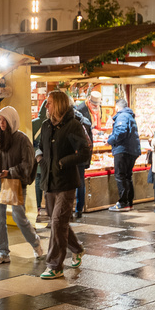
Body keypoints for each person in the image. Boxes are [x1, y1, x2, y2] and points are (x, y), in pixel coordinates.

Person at [36, 91, 90, 279]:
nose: (46, 106)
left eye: (49, 103)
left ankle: (55, 265)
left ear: (58, 104)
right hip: (49, 182)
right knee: (58, 223)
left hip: (66, 182)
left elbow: (85, 152)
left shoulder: (74, 125)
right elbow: (38, 146)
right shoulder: (45, 126)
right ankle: (77, 248)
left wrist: (63, 162)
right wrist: (40, 158)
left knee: (58, 222)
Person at [0, 107, 43, 264]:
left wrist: (11, 172)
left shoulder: (22, 140)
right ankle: (3, 252)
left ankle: (35, 243)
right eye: (0, 119)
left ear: (12, 120)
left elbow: (28, 164)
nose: (2, 123)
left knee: (18, 217)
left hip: (15, 183)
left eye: (5, 120)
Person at [106, 98, 140, 212]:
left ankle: (123, 202)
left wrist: (109, 140)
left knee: (120, 176)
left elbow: (120, 132)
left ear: (117, 107)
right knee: (127, 176)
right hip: (131, 150)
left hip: (123, 150)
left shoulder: (122, 116)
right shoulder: (129, 116)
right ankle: (129, 202)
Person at [72, 101, 94, 220]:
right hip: (82, 157)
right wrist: (87, 159)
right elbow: (91, 142)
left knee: (70, 183)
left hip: (70, 157)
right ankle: (79, 209)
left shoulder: (69, 121)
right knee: (80, 183)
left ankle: (70, 208)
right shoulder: (85, 121)